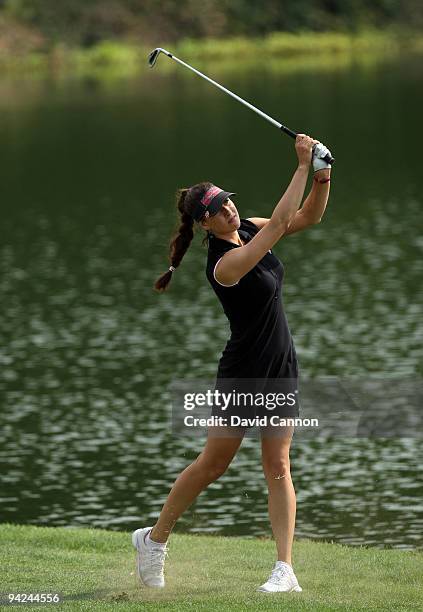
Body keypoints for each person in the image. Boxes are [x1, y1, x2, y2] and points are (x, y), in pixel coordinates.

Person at [132, 134, 332, 593]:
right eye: (220, 208)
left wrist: (322, 176)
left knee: (278, 464)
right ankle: (154, 540)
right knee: (213, 465)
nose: (231, 211)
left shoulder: (246, 231)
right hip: (244, 372)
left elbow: (305, 217)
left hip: (280, 365)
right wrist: (300, 165)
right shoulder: (224, 264)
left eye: (230, 202)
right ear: (204, 222)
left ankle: (285, 569)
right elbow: (281, 222)